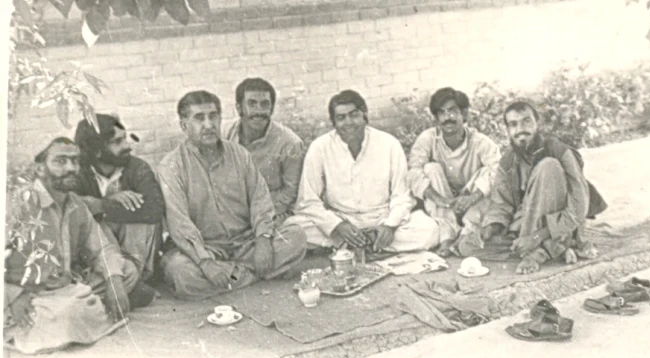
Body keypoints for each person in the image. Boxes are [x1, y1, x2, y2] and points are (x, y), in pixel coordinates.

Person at [4, 138, 154, 354]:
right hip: (29, 293)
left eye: (75, 161)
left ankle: (88, 305)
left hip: (66, 284)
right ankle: (85, 310)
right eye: (61, 161)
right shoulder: (20, 203)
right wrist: (13, 296)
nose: (71, 168)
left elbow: (101, 247)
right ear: (40, 168)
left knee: (125, 271)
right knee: (70, 310)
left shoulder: (75, 203)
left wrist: (114, 282)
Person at [157, 90, 307, 300]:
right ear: (184, 125)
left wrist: (263, 239)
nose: (208, 124)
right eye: (199, 118)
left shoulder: (239, 154)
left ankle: (232, 278)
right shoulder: (171, 166)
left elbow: (260, 199)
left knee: (296, 237)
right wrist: (205, 262)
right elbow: (178, 222)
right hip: (206, 249)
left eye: (213, 116)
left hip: (245, 243)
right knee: (181, 272)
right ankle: (255, 275)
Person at [287, 90, 439, 253]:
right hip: (341, 220)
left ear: (365, 116)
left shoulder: (389, 144)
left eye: (354, 115)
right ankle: (365, 245)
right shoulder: (320, 147)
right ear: (333, 122)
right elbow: (307, 200)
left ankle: (355, 244)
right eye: (341, 118)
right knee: (293, 228)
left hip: (381, 218)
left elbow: (402, 195)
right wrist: (337, 225)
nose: (349, 122)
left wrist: (390, 226)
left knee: (430, 230)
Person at [480, 100, 607, 274]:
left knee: (548, 166)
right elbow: (501, 202)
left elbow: (578, 208)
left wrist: (536, 236)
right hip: (525, 220)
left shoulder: (559, 150)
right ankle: (555, 248)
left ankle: (536, 253)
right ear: (508, 130)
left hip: (558, 221)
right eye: (513, 124)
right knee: (468, 245)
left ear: (537, 123)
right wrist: (492, 226)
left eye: (526, 121)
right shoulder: (509, 158)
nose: (520, 129)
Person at [72, 113, 164, 285]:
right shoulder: (78, 173)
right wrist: (110, 201)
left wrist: (102, 205)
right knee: (94, 225)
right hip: (100, 257)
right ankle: (120, 281)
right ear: (97, 151)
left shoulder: (137, 167)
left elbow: (155, 210)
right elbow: (71, 209)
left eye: (125, 138)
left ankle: (134, 280)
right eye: (117, 142)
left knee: (145, 223)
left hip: (135, 253)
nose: (127, 145)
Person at [408, 87, 501, 256]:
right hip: (443, 204)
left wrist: (472, 197)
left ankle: (466, 235)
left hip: (472, 203)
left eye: (452, 111)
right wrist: (440, 199)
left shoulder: (480, 142)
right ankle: (448, 237)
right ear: (436, 118)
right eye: (442, 113)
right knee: (430, 169)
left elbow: (498, 169)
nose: (447, 118)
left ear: (464, 115)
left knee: (488, 173)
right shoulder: (428, 138)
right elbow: (413, 171)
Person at [223, 77, 305, 225]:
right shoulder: (224, 135)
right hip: (230, 213)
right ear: (239, 108)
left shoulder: (290, 143)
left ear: (272, 108)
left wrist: (255, 213)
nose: (259, 111)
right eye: (252, 104)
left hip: (271, 214)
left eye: (265, 104)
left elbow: (290, 193)